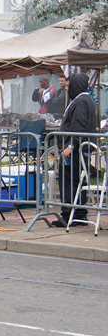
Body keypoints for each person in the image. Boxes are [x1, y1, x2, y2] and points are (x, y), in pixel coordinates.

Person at [51, 73, 98, 227]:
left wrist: (70, 146)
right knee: (78, 182)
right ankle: (79, 214)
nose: (66, 88)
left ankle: (68, 214)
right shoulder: (85, 100)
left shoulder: (80, 102)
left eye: (69, 85)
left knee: (70, 182)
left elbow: (79, 126)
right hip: (80, 148)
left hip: (75, 150)